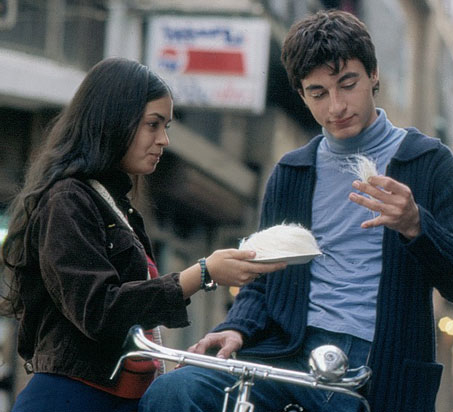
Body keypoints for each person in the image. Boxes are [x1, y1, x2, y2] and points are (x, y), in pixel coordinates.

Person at [139, 9, 453, 412]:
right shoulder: (293, 171)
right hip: (286, 352)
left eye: (348, 84)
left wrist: (416, 225)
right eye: (318, 93)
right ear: (302, 94)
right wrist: (237, 327)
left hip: (377, 364)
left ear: (373, 74)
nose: (336, 106)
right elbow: (261, 276)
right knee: (172, 393)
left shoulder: (428, 162)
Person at [0, 57, 287, 412]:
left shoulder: (116, 206)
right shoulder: (67, 199)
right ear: (113, 121)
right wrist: (202, 273)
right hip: (71, 397)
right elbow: (99, 311)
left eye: (166, 126)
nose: (163, 140)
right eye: (153, 124)